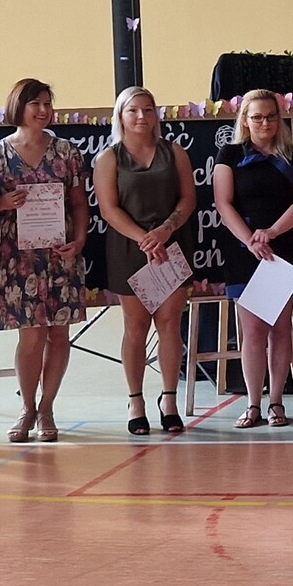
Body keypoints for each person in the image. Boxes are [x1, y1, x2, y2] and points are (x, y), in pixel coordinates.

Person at [0, 79, 90, 442]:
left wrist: (80, 240)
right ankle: (26, 407)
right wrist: (1, 203)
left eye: (47, 104)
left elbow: (79, 204)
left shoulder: (67, 152)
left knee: (59, 334)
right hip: (17, 258)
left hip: (60, 256)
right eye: (35, 104)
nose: (43, 111)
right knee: (31, 336)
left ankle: (47, 408)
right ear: (18, 107)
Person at [93, 87, 201, 437]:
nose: (141, 116)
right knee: (135, 327)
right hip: (130, 249)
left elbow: (188, 199)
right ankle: (135, 401)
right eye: (133, 110)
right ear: (120, 116)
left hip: (171, 247)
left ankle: (169, 400)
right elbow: (108, 209)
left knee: (169, 325)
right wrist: (144, 238)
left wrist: (165, 231)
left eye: (148, 109)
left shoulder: (175, 152)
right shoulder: (109, 158)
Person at [214, 89, 293, 430]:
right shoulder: (229, 154)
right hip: (245, 251)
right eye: (257, 117)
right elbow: (223, 203)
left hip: (279, 249)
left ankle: (276, 402)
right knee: (252, 330)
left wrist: (271, 232)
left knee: (280, 328)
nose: (265, 123)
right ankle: (253, 403)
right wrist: (250, 240)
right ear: (245, 120)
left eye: (271, 116)